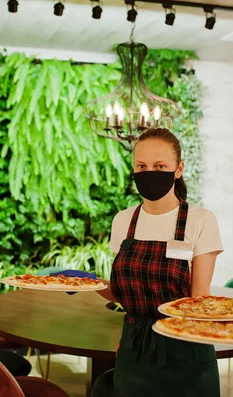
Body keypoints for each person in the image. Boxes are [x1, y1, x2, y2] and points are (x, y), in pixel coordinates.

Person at [95, 127, 223, 397]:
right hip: (133, 348)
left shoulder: (201, 220)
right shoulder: (123, 221)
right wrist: (85, 284)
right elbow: (120, 294)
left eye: (160, 165)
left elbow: (199, 299)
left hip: (185, 347)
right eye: (141, 165)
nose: (149, 172)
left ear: (178, 170)